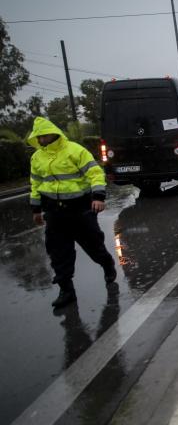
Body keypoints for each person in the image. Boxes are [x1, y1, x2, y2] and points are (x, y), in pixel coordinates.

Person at [28, 117, 117, 308]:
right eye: (39, 137)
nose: (42, 140)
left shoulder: (75, 150)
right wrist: (36, 209)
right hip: (54, 212)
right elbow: (36, 184)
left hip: (80, 209)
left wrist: (98, 197)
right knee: (58, 253)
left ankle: (107, 264)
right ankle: (66, 291)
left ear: (54, 132)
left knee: (94, 245)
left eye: (44, 136)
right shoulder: (37, 158)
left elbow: (95, 173)